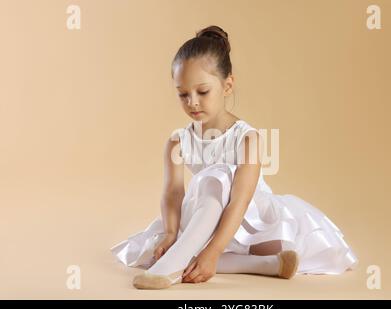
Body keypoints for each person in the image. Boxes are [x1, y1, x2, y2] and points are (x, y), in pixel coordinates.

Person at [111, 25, 358, 290]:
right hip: (207, 216)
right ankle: (271, 265)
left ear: (227, 86)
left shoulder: (246, 138)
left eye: (202, 92)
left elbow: (240, 200)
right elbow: (173, 193)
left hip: (248, 220)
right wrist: (171, 233)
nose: (192, 102)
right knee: (162, 249)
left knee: (215, 176)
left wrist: (214, 250)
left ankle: (173, 266)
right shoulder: (177, 141)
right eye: (183, 94)